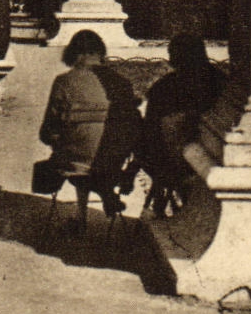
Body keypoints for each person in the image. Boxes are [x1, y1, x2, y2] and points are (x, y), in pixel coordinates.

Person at [37, 30, 142, 234]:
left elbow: (47, 131)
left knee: (76, 148)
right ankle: (104, 192)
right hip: (112, 162)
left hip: (76, 162)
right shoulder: (122, 83)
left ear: (74, 54)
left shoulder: (64, 82)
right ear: (100, 53)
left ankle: (81, 216)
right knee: (92, 146)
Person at [135, 34, 225, 218]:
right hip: (217, 157)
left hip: (172, 163)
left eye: (172, 53)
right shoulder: (222, 81)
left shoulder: (164, 87)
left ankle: (168, 199)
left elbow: (150, 132)